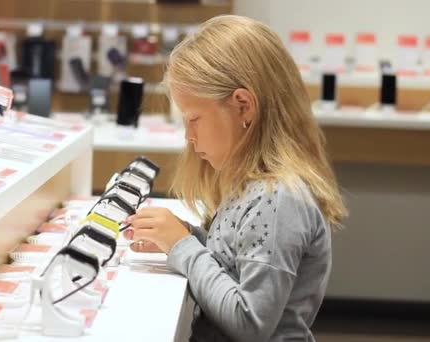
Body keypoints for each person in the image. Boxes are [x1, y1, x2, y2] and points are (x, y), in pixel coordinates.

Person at [124, 15, 348, 342]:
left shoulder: (278, 198)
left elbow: (250, 322)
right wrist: (182, 237)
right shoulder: (257, 188)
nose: (188, 135)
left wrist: (182, 247)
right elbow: (233, 262)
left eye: (194, 119)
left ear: (243, 107)